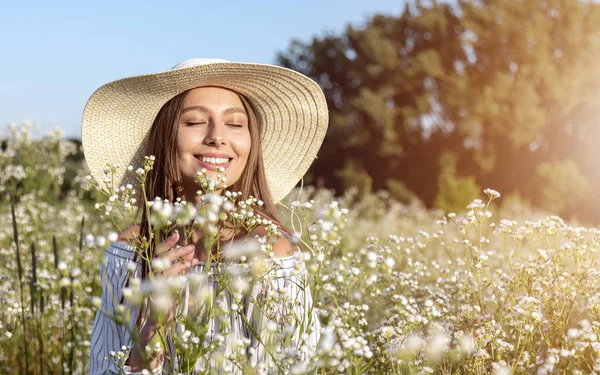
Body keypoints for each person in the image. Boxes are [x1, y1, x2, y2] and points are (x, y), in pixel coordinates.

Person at [83, 58, 329, 374]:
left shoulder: (271, 254)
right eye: (195, 122)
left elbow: (293, 366)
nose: (217, 136)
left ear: (251, 142)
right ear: (164, 137)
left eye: (235, 124)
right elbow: (102, 369)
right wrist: (154, 325)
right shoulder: (127, 252)